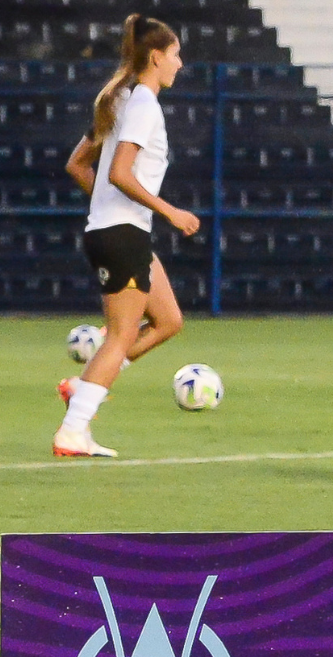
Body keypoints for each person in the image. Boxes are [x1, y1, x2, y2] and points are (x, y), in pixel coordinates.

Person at [51, 14, 189, 458]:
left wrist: (108, 206)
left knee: (168, 321)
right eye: (175, 54)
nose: (180, 64)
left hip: (121, 230)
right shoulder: (143, 104)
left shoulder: (120, 99)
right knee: (120, 335)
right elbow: (119, 172)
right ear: (156, 56)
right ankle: (74, 430)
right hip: (122, 234)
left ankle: (85, 383)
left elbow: (78, 165)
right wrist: (170, 211)